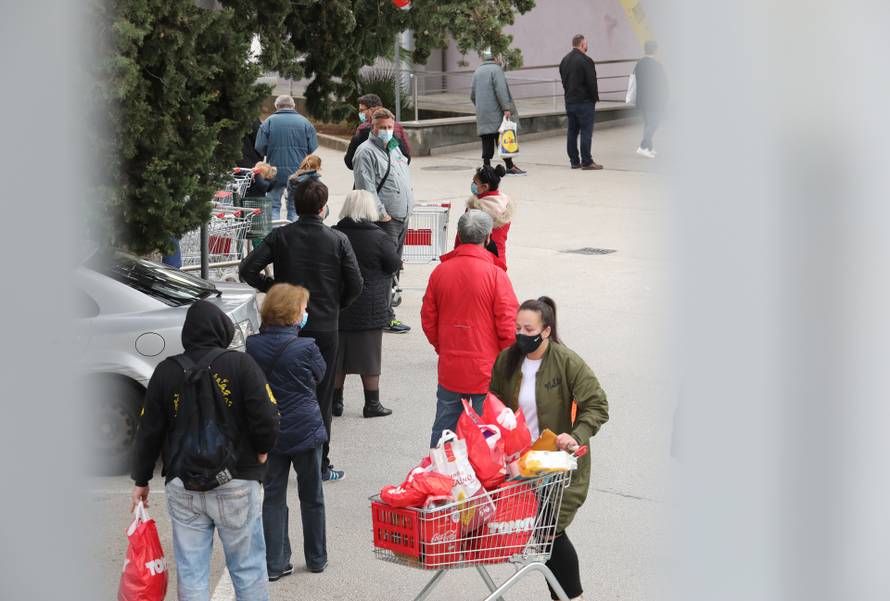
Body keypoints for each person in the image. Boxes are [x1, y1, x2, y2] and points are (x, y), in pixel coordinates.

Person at [130, 300, 280, 600]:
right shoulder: (241, 365)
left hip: (183, 483)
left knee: (191, 572)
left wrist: (141, 479)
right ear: (222, 330)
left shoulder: (165, 371)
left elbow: (148, 431)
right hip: (237, 479)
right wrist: (262, 451)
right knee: (248, 568)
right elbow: (267, 417)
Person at [239, 178, 363, 482]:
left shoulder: (281, 236)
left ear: (295, 204)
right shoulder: (337, 240)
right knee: (321, 394)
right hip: (324, 325)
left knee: (276, 389)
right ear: (323, 208)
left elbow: (247, 269)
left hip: (284, 321)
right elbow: (356, 284)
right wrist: (336, 304)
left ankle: (269, 454)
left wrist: (274, 288)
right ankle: (320, 463)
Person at [489, 297, 609, 601]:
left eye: (529, 329)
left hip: (556, 466)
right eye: (518, 328)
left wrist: (576, 436)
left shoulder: (566, 362)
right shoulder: (507, 361)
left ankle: (570, 597)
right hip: (519, 466)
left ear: (546, 331)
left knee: (550, 532)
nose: (521, 335)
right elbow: (494, 403)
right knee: (544, 536)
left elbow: (597, 405)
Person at [246, 284, 328, 580]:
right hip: (306, 429)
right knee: (312, 496)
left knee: (273, 496)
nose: (306, 312)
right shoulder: (307, 347)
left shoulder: (253, 345)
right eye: (304, 308)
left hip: (271, 430)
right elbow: (320, 374)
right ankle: (316, 558)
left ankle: (276, 562)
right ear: (294, 314)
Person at [421, 210, 519, 447]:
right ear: (488, 237)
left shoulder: (440, 272)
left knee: (444, 430)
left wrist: (443, 347)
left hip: (451, 365)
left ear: (459, 235)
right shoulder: (496, 275)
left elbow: (428, 319)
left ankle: (440, 468)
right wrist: (510, 361)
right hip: (487, 369)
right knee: (488, 434)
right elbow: (508, 325)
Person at [332, 190, 402, 418]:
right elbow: (393, 264)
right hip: (370, 306)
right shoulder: (379, 237)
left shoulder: (333, 233)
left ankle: (335, 402)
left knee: (338, 357)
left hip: (339, 305)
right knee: (370, 356)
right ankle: (372, 404)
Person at [353, 108, 413, 334]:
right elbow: (366, 186)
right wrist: (382, 214)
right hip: (386, 221)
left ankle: (385, 311)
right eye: (383, 128)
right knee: (383, 271)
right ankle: (385, 316)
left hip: (401, 218)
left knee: (393, 269)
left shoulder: (394, 147)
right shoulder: (365, 152)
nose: (387, 131)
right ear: (373, 127)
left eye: (390, 127)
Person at [255, 95, 319, 222]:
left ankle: (275, 232)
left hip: (275, 172)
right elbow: (312, 147)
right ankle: (293, 233)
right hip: (298, 173)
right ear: (293, 106)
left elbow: (259, 147)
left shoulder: (269, 122)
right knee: (294, 208)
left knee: (273, 207)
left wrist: (270, 152)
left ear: (276, 106)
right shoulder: (305, 122)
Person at [471, 50, 526, 176]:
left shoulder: (477, 72)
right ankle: (510, 166)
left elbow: (472, 95)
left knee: (486, 138)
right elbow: (501, 91)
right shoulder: (496, 70)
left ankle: (486, 167)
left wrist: (481, 107)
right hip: (496, 112)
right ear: (495, 58)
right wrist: (506, 108)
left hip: (482, 113)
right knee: (502, 138)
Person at [454, 164, 514, 268]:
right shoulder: (504, 204)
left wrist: (456, 254)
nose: (472, 185)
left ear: (485, 186)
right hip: (498, 259)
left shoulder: (475, 209)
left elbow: (462, 236)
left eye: (475, 182)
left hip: (476, 260)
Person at [559, 34, 603, 170]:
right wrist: (594, 98)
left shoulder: (564, 60)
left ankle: (574, 161)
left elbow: (564, 81)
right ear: (582, 45)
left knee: (572, 131)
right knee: (586, 132)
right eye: (586, 44)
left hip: (570, 101)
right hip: (584, 102)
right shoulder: (586, 60)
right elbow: (591, 82)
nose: (587, 46)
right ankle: (587, 161)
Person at [344, 94, 411, 170]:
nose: (360, 114)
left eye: (362, 110)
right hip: (395, 173)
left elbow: (350, 162)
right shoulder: (397, 126)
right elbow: (406, 155)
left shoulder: (363, 129)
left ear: (371, 110)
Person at [632, 40, 669, 159]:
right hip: (653, 100)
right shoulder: (657, 65)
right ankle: (643, 147)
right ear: (655, 50)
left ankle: (649, 148)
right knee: (654, 123)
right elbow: (663, 84)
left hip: (642, 100)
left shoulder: (639, 64)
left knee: (648, 123)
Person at [286, 155, 324, 219]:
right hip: (310, 206)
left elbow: (289, 190)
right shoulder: (316, 179)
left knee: (292, 217)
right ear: (318, 167)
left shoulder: (294, 178)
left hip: (294, 203)